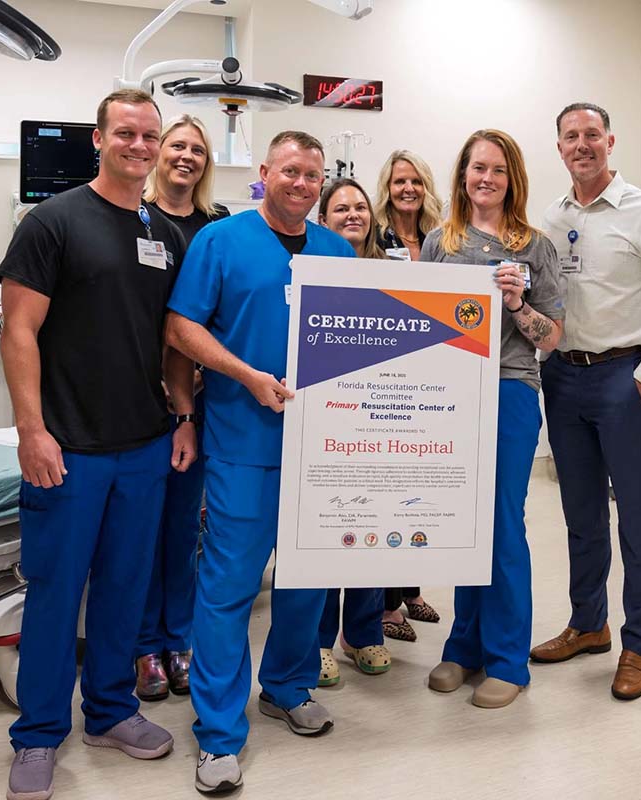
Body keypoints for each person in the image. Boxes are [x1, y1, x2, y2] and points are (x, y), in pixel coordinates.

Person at [0, 88, 197, 800]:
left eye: (150, 135)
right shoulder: (52, 222)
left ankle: (112, 711)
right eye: (127, 134)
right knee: (55, 593)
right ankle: (38, 735)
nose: (140, 146)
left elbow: (173, 338)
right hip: (69, 446)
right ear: (99, 138)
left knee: (123, 589)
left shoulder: (164, 234)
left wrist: (181, 415)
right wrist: (32, 430)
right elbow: (18, 331)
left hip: (143, 445)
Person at [165, 130, 355, 794]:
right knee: (227, 588)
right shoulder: (221, 242)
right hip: (245, 442)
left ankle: (288, 685)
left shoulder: (337, 250)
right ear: (265, 172)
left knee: (307, 580)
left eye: (313, 176)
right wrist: (245, 375)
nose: (302, 185)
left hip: (324, 446)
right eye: (291, 172)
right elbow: (181, 328)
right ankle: (218, 734)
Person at [531, 102, 641, 702]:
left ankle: (637, 643)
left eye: (592, 134)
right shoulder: (549, 217)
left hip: (626, 377)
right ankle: (588, 623)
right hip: (565, 379)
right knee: (581, 516)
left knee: (638, 520)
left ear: (610, 141)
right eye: (571, 136)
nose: (582, 145)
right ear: (560, 146)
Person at [421, 129, 566, 709]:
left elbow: (552, 339)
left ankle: (508, 659)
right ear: (462, 175)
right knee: (465, 522)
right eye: (478, 167)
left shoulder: (534, 247)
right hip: (451, 391)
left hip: (508, 388)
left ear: (514, 180)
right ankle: (464, 649)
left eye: (499, 170)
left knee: (502, 521)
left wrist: (516, 304)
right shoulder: (439, 242)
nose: (487, 178)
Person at [133, 114, 230, 702]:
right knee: (140, 532)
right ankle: (145, 646)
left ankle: (180, 639)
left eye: (198, 149)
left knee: (183, 530)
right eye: (177, 145)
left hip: (196, 401)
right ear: (158, 154)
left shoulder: (216, 230)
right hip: (135, 398)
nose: (186, 156)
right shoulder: (131, 219)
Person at [313, 178, 391, 686]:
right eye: (340, 208)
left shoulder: (395, 271)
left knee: (373, 527)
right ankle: (317, 640)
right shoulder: (313, 268)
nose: (352, 214)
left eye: (360, 206)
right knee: (322, 532)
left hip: (383, 415)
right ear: (323, 219)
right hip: (326, 414)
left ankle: (363, 633)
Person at [372, 149, 444, 640]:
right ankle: (385, 604)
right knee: (387, 492)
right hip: (384, 373)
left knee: (420, 490)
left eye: (416, 180)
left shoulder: (442, 236)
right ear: (388, 186)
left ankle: (411, 589)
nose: (408, 189)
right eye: (399, 181)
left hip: (433, 371)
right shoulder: (378, 237)